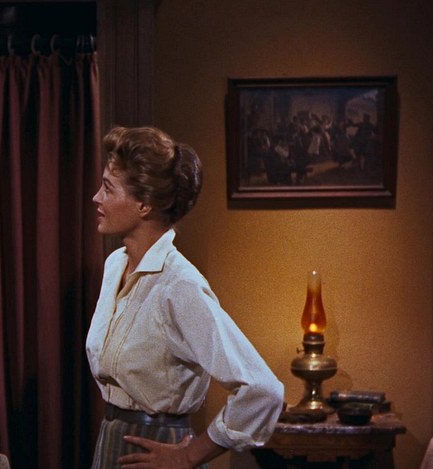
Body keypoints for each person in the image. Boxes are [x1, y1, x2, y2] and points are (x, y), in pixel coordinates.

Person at [86, 126, 284, 468]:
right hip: (111, 443)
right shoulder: (115, 264)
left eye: (108, 188)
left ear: (143, 204)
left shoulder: (179, 285)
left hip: (159, 448)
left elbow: (263, 390)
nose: (96, 198)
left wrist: (189, 456)